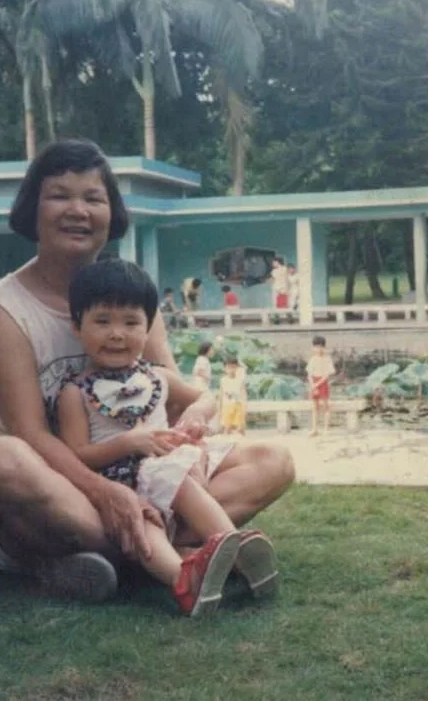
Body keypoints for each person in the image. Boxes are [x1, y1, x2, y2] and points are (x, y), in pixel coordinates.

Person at [0, 139, 293, 603]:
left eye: (93, 198)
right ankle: (168, 553)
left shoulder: (129, 296)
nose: (78, 210)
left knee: (271, 461)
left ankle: (131, 560)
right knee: (0, 460)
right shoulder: (3, 310)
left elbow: (172, 392)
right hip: (55, 492)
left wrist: (190, 439)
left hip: (148, 479)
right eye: (60, 195)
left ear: (111, 212)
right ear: (32, 209)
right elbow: (32, 436)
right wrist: (105, 493)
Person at [57, 260, 276, 616]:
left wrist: (195, 415)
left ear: (147, 330)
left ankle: (230, 549)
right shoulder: (76, 392)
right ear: (77, 327)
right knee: (145, 530)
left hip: (170, 473)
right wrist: (129, 443)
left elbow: (206, 397)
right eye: (102, 321)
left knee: (175, 477)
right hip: (122, 488)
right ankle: (187, 580)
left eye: (131, 323)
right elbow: (78, 454)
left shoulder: (157, 377)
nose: (117, 334)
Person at [306, 335, 336, 436]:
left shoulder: (327, 359)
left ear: (324, 347)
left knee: (326, 406)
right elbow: (309, 374)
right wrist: (312, 385)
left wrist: (317, 384)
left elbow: (327, 375)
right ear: (313, 348)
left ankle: (326, 429)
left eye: (320, 347)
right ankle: (315, 429)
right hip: (314, 382)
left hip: (323, 383)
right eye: (316, 347)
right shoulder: (312, 359)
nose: (318, 349)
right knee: (315, 407)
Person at [218, 356, 247, 436]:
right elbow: (221, 395)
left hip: (238, 406)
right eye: (229, 367)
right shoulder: (223, 380)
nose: (231, 370)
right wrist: (219, 409)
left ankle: (243, 443)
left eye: (234, 367)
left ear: (237, 368)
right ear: (224, 368)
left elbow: (243, 393)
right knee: (227, 428)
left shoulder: (240, 380)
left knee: (240, 428)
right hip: (227, 406)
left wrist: (244, 406)